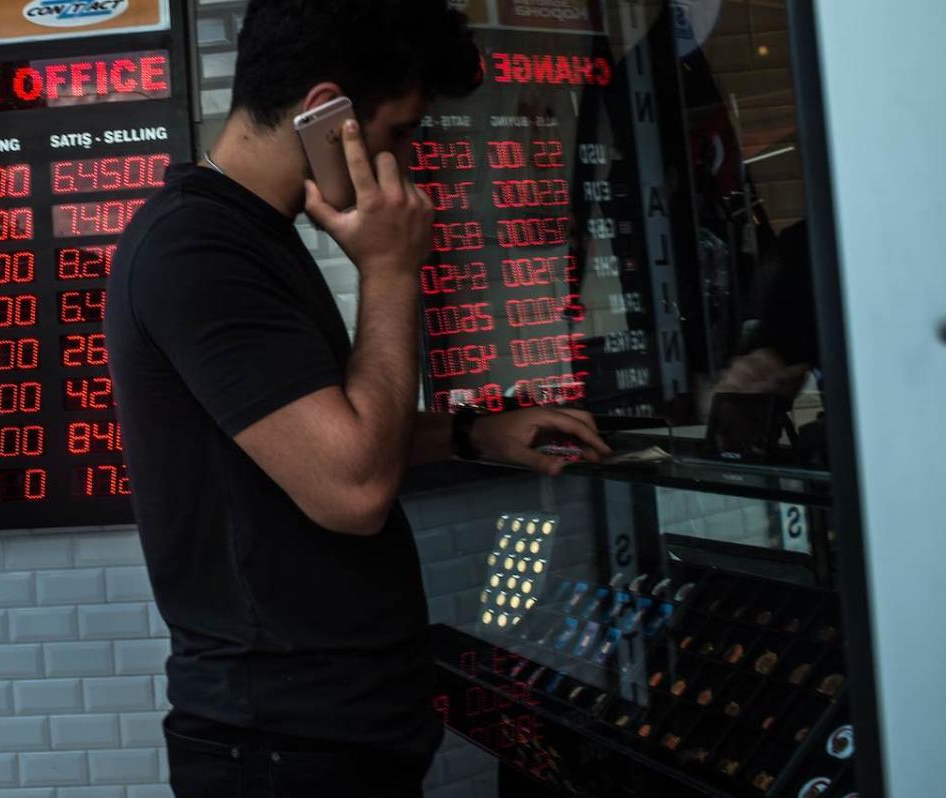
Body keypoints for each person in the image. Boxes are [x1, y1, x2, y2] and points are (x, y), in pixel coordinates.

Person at [105, 2, 610, 796]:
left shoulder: (247, 236)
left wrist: (474, 434)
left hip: (323, 732)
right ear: (325, 113)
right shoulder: (197, 251)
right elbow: (350, 488)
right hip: (281, 745)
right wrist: (391, 269)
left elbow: (322, 434)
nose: (408, 164)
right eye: (401, 133)